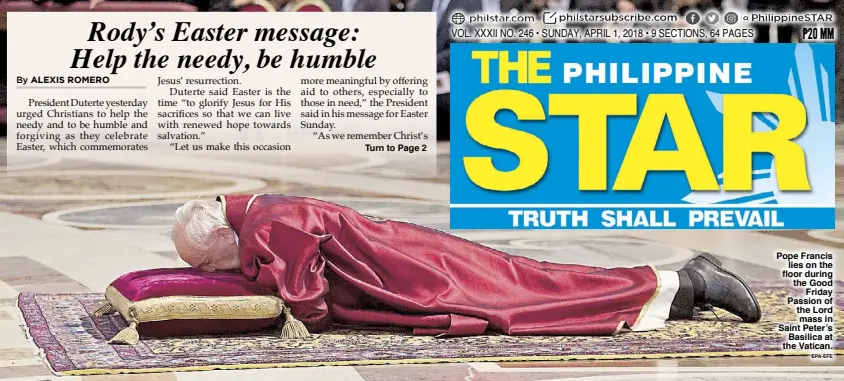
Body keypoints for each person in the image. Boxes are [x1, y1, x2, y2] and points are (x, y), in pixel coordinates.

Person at [171, 194, 761, 338]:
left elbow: (310, 307)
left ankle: (689, 280)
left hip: (418, 273)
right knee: (536, 285)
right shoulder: (261, 212)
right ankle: (680, 292)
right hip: (413, 256)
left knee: (529, 299)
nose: (217, 271)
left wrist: (255, 290)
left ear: (224, 231)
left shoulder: (269, 227)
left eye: (210, 261)